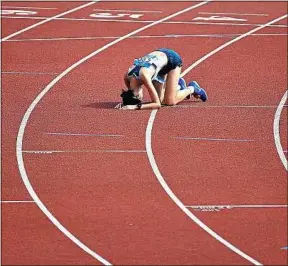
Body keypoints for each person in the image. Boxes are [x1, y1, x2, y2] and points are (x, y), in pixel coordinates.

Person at [120, 48, 207, 110]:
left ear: (137, 95)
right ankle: (178, 86)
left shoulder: (144, 76)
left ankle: (192, 88)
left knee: (170, 102)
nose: (142, 99)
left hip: (172, 59)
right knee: (161, 99)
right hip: (158, 59)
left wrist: (136, 106)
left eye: (140, 99)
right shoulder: (127, 77)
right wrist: (124, 103)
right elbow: (130, 94)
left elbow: (157, 105)